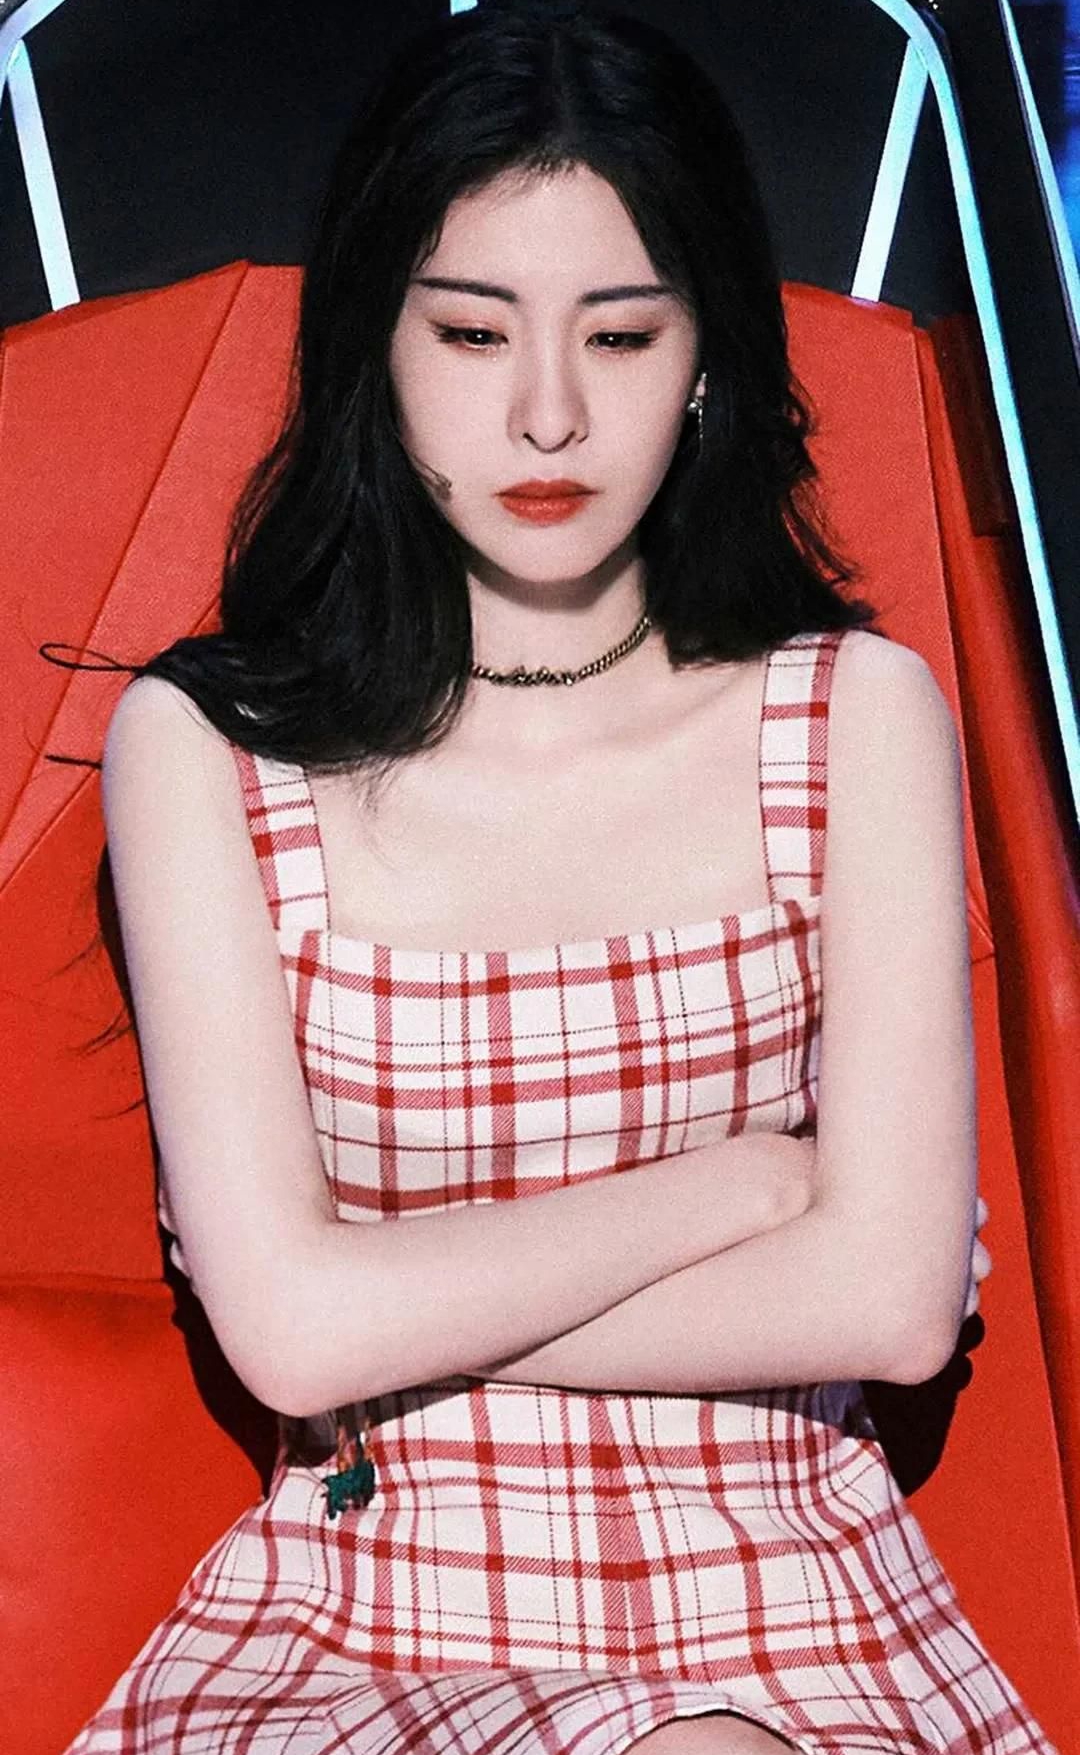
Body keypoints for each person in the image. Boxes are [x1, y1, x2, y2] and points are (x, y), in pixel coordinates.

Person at [63, 2, 1052, 1751]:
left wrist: (382, 1304)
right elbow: (288, 1346)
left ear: (708, 353)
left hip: (795, 1599)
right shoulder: (203, 747)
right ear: (373, 349)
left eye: (619, 334)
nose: (546, 414)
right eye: (469, 331)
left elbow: (897, 1308)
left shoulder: (853, 714)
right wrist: (752, 1185)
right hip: (369, 1612)